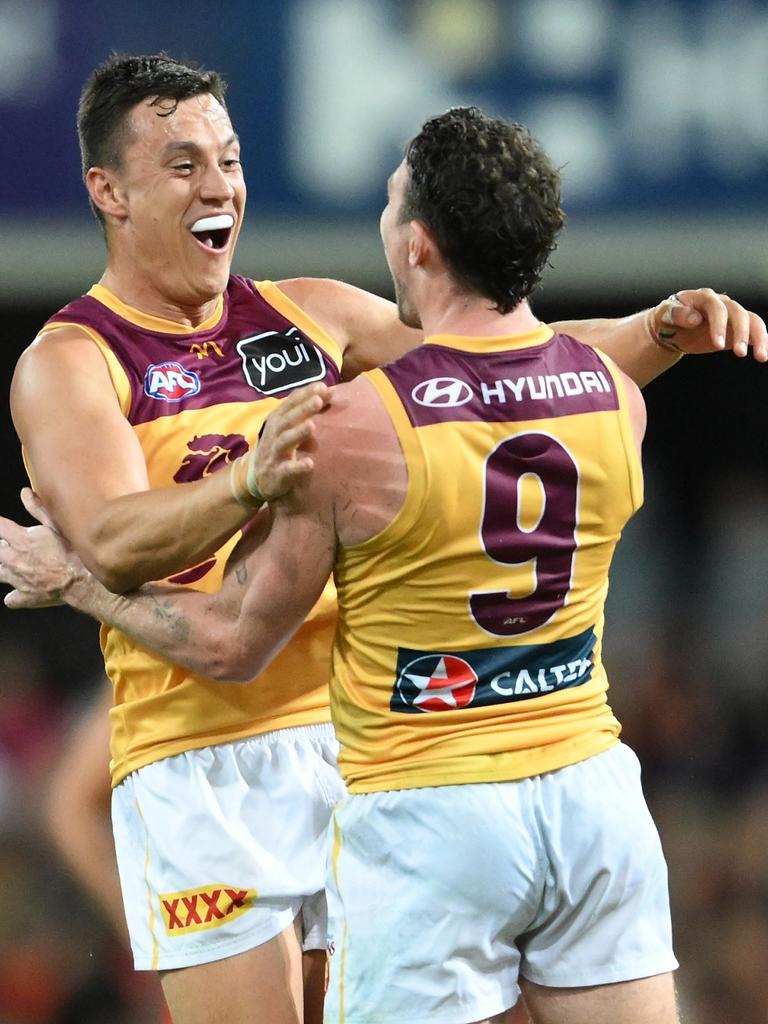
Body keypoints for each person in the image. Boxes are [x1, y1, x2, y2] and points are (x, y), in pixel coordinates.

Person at [5, 49, 767, 1023]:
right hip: (198, 756)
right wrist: (250, 477)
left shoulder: (308, 311)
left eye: (230, 159)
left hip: (354, 744)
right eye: (185, 164)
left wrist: (659, 329)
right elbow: (111, 538)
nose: (220, 186)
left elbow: (503, 367)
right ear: (107, 189)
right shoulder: (72, 360)